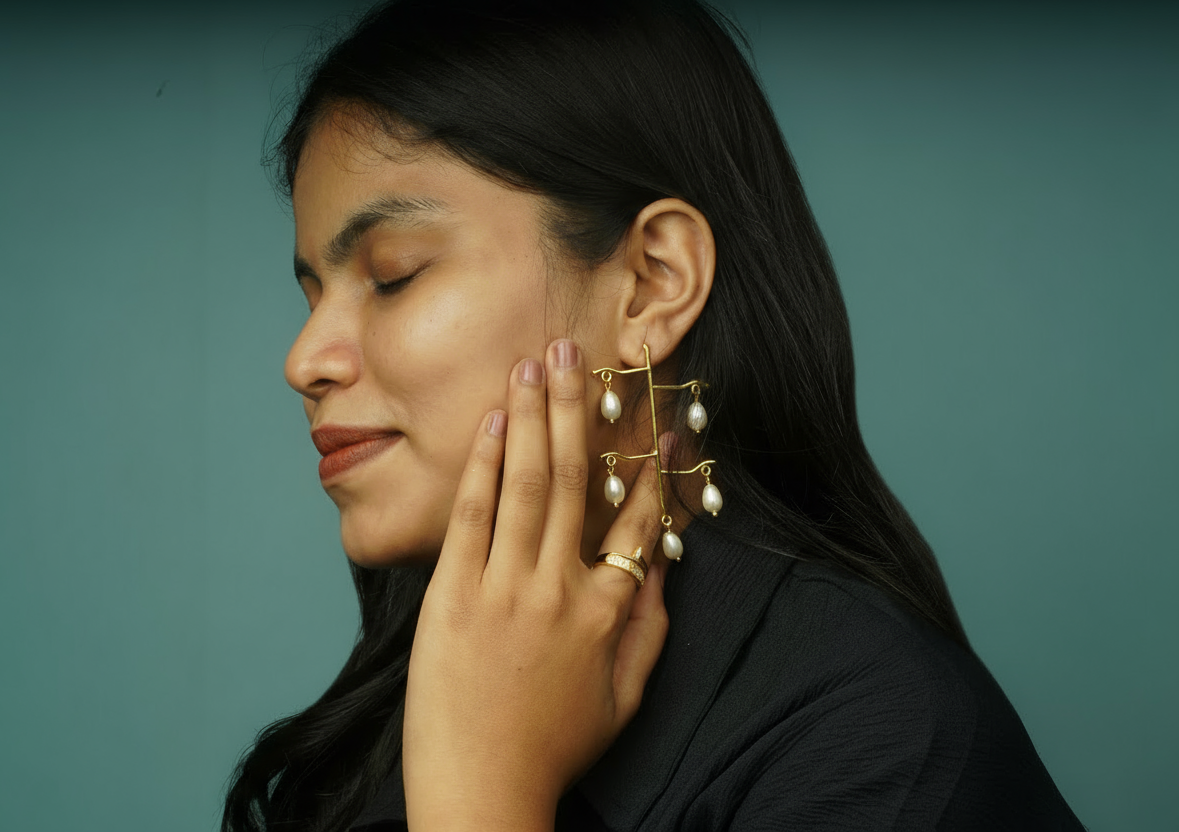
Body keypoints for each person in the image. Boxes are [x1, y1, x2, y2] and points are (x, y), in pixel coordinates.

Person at [222, 0, 1085, 829]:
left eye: (393, 272)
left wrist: (479, 790)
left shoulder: (884, 743)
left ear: (652, 282)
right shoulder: (382, 723)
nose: (305, 360)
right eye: (312, 294)